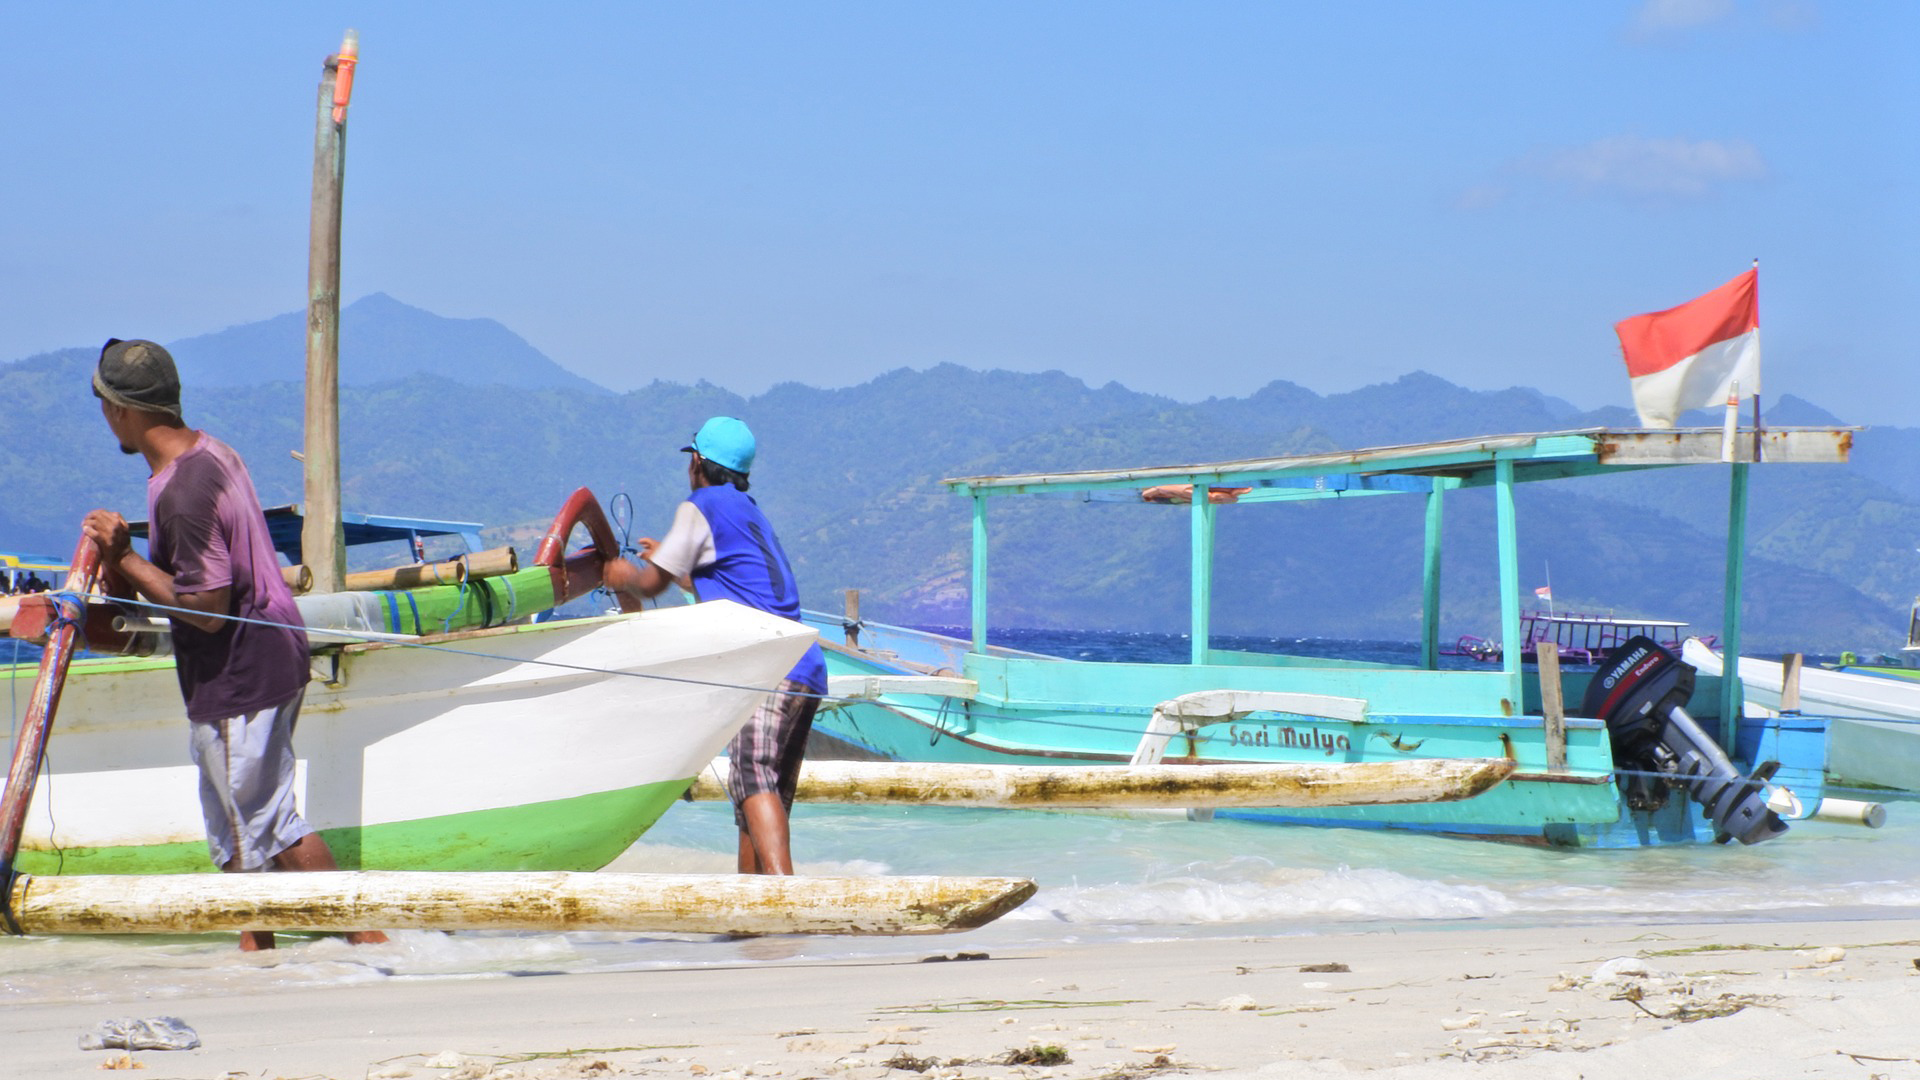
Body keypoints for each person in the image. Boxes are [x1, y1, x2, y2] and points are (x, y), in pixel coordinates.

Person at [80, 338, 385, 951]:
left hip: (239, 672)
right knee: (237, 828)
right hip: (265, 657)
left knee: (269, 827)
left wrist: (121, 558)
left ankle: (374, 946)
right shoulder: (209, 453)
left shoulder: (183, 490)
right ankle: (259, 963)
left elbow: (207, 609)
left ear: (121, 410)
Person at [604, 416, 826, 875]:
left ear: (699, 463)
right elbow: (729, 580)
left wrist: (621, 574)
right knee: (759, 797)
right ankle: (752, 920)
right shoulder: (747, 509)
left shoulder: (700, 505)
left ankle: (789, 897)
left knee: (750, 783)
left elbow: (649, 586)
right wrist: (666, 558)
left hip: (765, 666)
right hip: (804, 664)